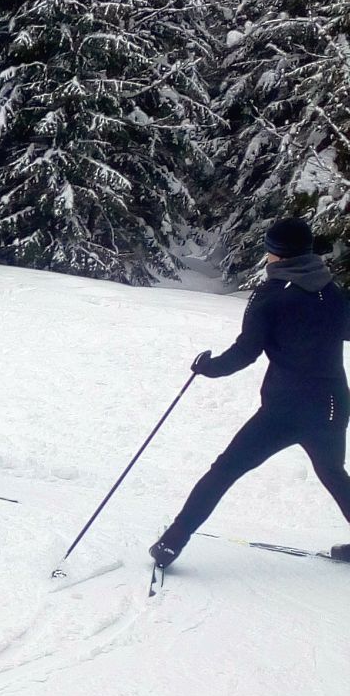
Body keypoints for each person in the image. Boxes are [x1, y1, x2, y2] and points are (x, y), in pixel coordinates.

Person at [150, 217, 350, 570]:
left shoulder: (270, 295)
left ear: (277, 254)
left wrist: (207, 367)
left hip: (284, 410)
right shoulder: (332, 292)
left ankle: (171, 543)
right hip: (332, 405)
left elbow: (245, 352)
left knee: (226, 469)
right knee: (333, 473)